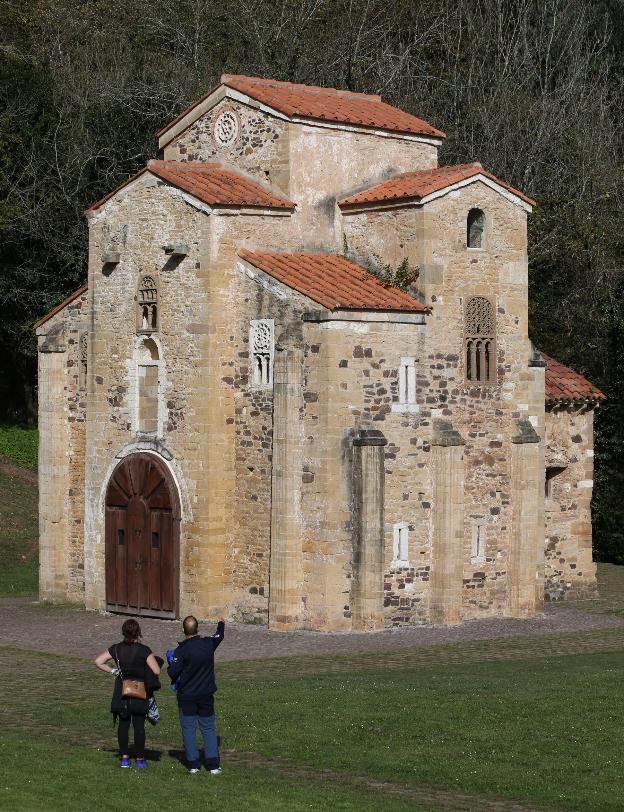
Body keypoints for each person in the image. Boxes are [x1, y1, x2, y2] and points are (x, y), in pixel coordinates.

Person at [94, 618, 161, 769]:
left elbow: (98, 661)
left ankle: (124, 758)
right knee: (139, 726)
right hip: (139, 691)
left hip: (121, 691)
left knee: (123, 725)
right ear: (138, 633)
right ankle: (140, 759)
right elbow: (156, 670)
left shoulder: (116, 649)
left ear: (123, 632)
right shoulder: (144, 650)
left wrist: (113, 671)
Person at [167, 615, 225, 774]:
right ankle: (213, 765)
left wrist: (171, 663)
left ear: (183, 630)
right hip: (206, 694)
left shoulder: (181, 651)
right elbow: (219, 636)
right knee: (208, 728)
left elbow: (173, 672)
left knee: (189, 728)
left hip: (187, 696)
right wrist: (221, 623)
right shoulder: (208, 644)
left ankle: (193, 764)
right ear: (197, 628)